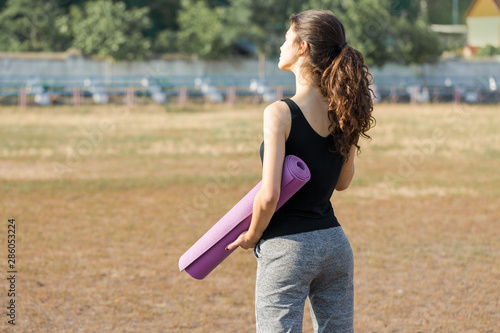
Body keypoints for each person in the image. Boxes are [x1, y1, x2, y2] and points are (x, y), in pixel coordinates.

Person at [226, 9, 375, 333]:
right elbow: (343, 182)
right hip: (335, 245)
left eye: (286, 38)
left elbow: (269, 197)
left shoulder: (280, 112)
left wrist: (251, 236)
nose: (281, 45)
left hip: (286, 250)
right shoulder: (344, 108)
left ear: (303, 47)